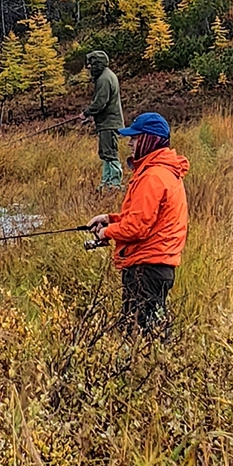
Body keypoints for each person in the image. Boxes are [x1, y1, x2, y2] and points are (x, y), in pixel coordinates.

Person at [89, 111, 189, 337]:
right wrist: (110, 219)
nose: (130, 142)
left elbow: (136, 228)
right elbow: (145, 218)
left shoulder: (153, 176)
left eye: (135, 137)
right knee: (153, 335)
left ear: (148, 140)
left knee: (140, 337)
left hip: (147, 268)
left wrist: (106, 232)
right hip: (157, 267)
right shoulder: (163, 172)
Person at [83, 49, 123, 188]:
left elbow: (100, 102)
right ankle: (106, 183)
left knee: (110, 153)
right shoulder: (106, 76)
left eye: (91, 63)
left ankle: (115, 184)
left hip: (109, 123)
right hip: (106, 122)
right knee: (105, 153)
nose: (88, 67)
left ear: (97, 64)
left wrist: (87, 113)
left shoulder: (104, 79)